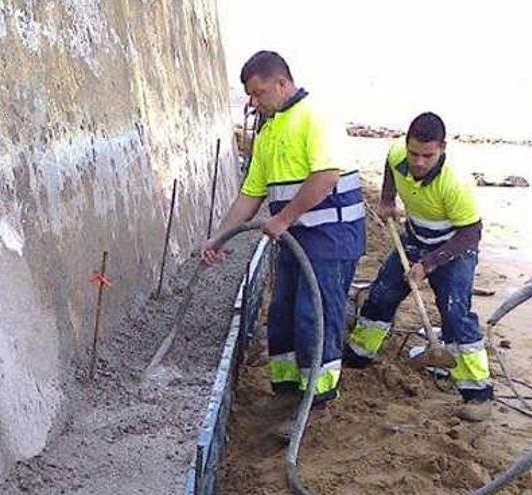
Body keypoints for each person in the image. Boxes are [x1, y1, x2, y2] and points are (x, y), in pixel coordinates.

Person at [201, 51, 366, 425]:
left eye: (259, 93)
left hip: (330, 237)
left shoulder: (314, 117)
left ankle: (317, 402)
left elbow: (325, 178)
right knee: (282, 315)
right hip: (295, 238)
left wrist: (284, 218)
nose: (254, 103)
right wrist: (219, 238)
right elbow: (250, 194)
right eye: (250, 96)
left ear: (282, 83)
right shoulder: (270, 131)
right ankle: (288, 393)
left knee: (315, 314)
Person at [344, 112, 493, 421]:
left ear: (442, 149)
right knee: (383, 294)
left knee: (455, 312)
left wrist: (429, 264)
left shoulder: (455, 183)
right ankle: (359, 354)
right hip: (414, 238)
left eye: (428, 155)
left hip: (453, 248)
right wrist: (387, 199)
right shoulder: (399, 153)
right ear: (406, 145)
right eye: (414, 153)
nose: (419, 162)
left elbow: (471, 233)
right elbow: (390, 164)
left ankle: (477, 392)